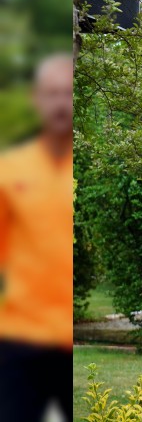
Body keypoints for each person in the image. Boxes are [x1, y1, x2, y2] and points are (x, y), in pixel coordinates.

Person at [0, 53, 74, 421]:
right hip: (21, 337)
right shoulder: (9, 169)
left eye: (68, 93)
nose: (60, 103)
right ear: (36, 100)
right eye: (52, 93)